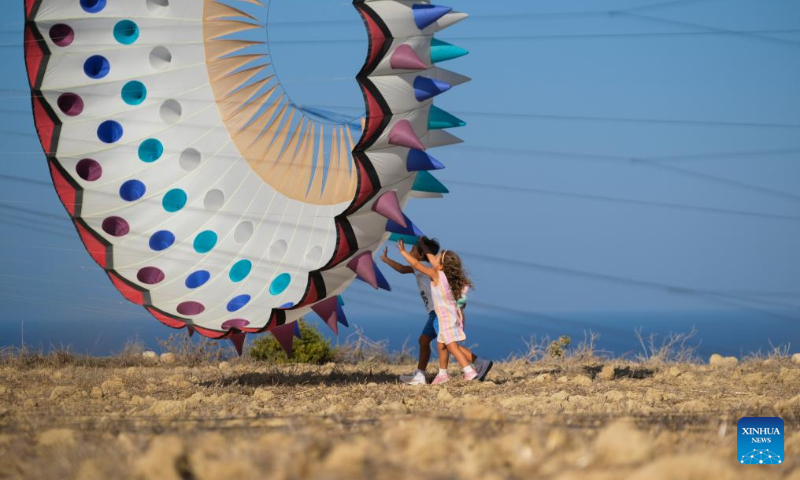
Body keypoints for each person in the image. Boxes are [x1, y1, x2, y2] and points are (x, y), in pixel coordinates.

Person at [381, 238, 491, 384]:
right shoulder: (432, 269)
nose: (410, 252)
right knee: (427, 341)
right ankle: (423, 375)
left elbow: (412, 264)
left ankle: (474, 365)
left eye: (413, 250)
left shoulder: (430, 270)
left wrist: (402, 252)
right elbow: (403, 268)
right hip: (436, 313)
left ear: (421, 255)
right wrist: (387, 259)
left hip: (439, 313)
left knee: (448, 343)